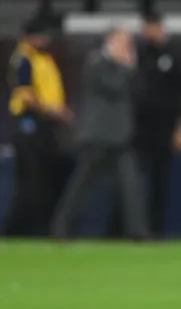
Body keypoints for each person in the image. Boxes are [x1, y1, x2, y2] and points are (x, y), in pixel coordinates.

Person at [51, 27, 149, 240]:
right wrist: (127, 66)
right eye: (123, 41)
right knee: (82, 187)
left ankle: (138, 232)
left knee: (131, 185)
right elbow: (113, 86)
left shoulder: (126, 66)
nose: (127, 46)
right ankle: (60, 227)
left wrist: (129, 67)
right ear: (111, 40)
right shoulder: (96, 63)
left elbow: (139, 92)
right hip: (98, 137)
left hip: (121, 138)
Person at [4, 14, 70, 237]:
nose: (44, 40)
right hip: (30, 124)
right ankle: (14, 231)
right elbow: (26, 94)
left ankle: (36, 229)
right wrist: (52, 110)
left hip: (45, 125)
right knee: (32, 181)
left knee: (43, 178)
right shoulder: (24, 58)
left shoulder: (42, 58)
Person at [132, 9, 181, 236]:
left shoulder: (173, 56)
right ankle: (134, 228)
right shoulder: (137, 54)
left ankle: (155, 230)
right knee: (134, 183)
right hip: (139, 129)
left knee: (160, 182)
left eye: (153, 26)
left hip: (164, 130)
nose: (150, 31)